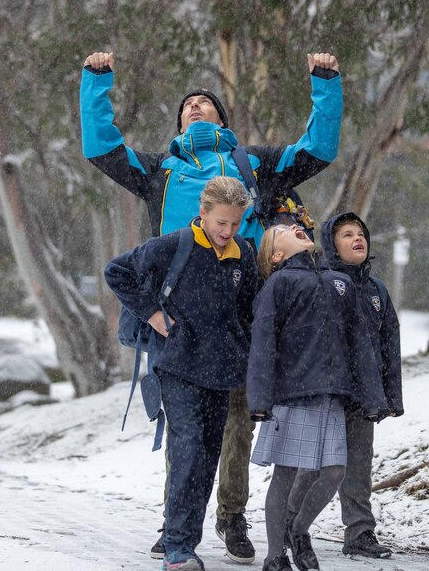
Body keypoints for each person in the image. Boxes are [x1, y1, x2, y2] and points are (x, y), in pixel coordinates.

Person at [81, 49, 344, 563]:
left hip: (242, 316)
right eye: (188, 105)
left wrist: (326, 84)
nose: (196, 107)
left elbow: (318, 150)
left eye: (206, 103)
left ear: (223, 119)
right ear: (180, 122)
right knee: (184, 431)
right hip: (178, 321)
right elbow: (103, 148)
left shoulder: (254, 164)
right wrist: (96, 82)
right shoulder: (160, 169)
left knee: (237, 424)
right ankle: (176, 525)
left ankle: (231, 516)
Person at [104, 177, 259, 571]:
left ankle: (186, 540)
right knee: (187, 448)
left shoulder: (243, 254)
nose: (227, 231)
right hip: (178, 365)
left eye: (235, 224)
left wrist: (246, 350)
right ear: (203, 212)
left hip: (222, 371)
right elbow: (117, 271)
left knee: (207, 456)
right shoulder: (172, 245)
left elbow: (248, 311)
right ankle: (177, 548)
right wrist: (154, 316)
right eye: (220, 222)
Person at [247, 223, 390, 571]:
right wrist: (260, 398)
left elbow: (360, 342)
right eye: (282, 230)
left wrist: (372, 395)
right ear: (276, 255)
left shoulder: (338, 282)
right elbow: (263, 342)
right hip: (293, 394)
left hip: (334, 395)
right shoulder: (279, 283)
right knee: (286, 473)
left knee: (334, 471)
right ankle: (274, 555)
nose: (295, 226)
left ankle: (298, 531)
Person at [286, 212, 405, 561]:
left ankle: (360, 531)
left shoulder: (377, 290)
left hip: (364, 394)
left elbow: (390, 344)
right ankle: (289, 525)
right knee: (315, 464)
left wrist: (390, 396)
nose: (358, 239)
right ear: (331, 246)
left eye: (361, 234)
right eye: (347, 234)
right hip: (328, 391)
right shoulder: (321, 282)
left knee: (358, 465)